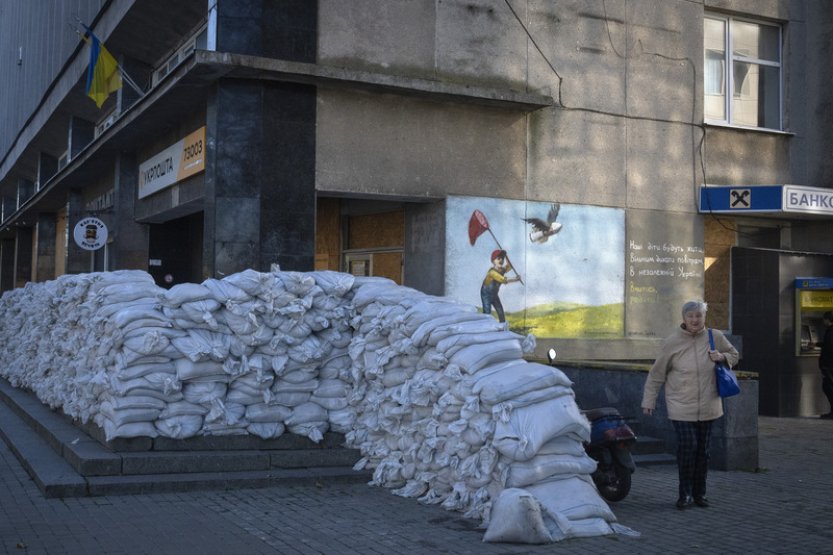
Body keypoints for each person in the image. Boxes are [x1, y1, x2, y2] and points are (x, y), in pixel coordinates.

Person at [641, 300, 739, 510]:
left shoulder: (715, 336)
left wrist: (721, 356)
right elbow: (656, 374)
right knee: (688, 448)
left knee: (703, 451)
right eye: (691, 316)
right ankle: (684, 494)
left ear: (704, 317)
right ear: (684, 318)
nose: (695, 320)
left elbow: (734, 355)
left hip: (709, 405)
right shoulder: (672, 342)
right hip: (680, 405)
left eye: (699, 316)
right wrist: (649, 401)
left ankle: (699, 494)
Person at [480, 249, 521, 323]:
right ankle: (486, 328)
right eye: (498, 258)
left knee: (501, 312)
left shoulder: (501, 270)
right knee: (487, 314)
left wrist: (507, 258)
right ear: (493, 261)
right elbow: (503, 280)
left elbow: (509, 266)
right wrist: (515, 279)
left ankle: (502, 328)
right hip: (486, 295)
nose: (501, 260)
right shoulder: (492, 272)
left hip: (494, 295)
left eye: (502, 258)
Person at [818, 311, 833, 419]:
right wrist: (817, 344)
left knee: (828, 387)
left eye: (824, 319)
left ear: (828, 320)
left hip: (829, 365)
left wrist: (824, 365)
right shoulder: (830, 331)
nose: (823, 321)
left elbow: (829, 348)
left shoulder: (831, 332)